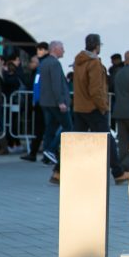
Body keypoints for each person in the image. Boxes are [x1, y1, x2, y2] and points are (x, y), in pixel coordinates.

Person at [72, 33, 129, 185]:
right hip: (93, 108)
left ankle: (59, 171)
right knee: (108, 140)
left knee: (76, 140)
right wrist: (103, 107)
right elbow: (96, 90)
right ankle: (118, 173)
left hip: (80, 106)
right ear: (97, 46)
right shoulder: (94, 63)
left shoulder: (78, 61)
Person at [39, 41, 71, 179]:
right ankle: (51, 150)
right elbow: (56, 84)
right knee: (68, 127)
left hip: (46, 101)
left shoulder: (44, 62)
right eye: (62, 48)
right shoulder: (55, 64)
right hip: (55, 102)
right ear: (55, 49)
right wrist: (61, 101)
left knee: (51, 128)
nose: (64, 50)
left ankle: (46, 156)